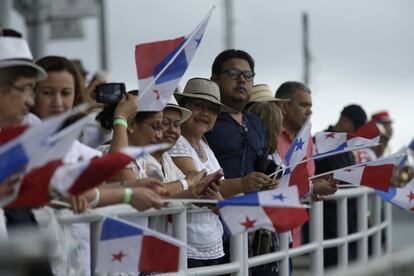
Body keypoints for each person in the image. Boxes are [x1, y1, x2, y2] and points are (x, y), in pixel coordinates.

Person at [314, 104, 368, 267]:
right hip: (328, 223)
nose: (357, 134)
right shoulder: (321, 142)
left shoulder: (344, 144)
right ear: (345, 122)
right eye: (356, 128)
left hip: (345, 221)